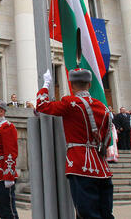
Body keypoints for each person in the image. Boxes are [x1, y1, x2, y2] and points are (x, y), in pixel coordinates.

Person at [36, 68, 114, 219]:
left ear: (71, 85)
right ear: (89, 85)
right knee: (105, 213)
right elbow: (106, 139)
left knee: (86, 212)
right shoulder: (102, 107)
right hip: (102, 167)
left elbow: (42, 105)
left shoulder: (70, 102)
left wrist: (45, 85)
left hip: (79, 164)